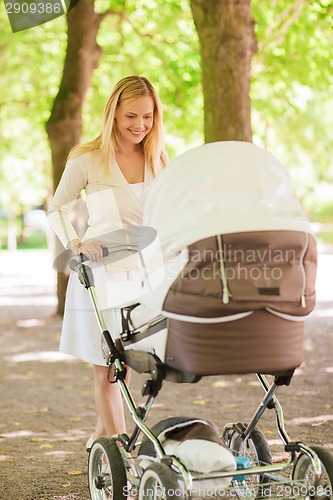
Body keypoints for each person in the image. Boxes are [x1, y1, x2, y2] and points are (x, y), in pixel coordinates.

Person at [48, 75, 168, 449]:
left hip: (146, 273)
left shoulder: (159, 157)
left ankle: (102, 436)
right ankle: (121, 452)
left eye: (147, 117)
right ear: (113, 112)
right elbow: (57, 209)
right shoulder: (87, 158)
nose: (139, 125)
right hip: (100, 273)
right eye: (131, 116)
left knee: (128, 365)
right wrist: (76, 242)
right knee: (106, 368)